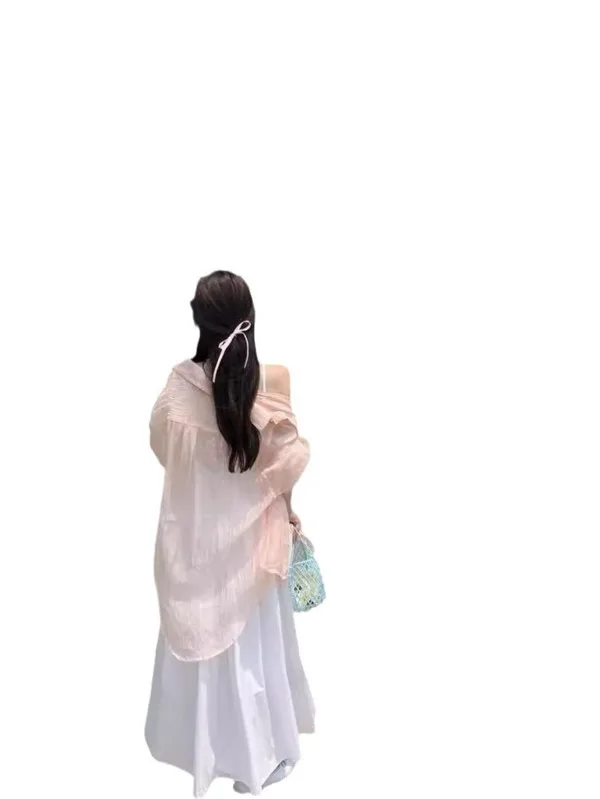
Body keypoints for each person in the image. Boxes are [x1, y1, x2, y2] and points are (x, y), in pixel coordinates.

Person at [145, 270, 315, 797]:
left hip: (196, 545)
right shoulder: (275, 380)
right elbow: (281, 470)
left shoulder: (178, 385)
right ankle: (260, 754)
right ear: (250, 317)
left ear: (197, 319)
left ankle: (205, 750)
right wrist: (290, 516)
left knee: (207, 646)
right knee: (256, 653)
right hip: (256, 548)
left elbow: (164, 450)